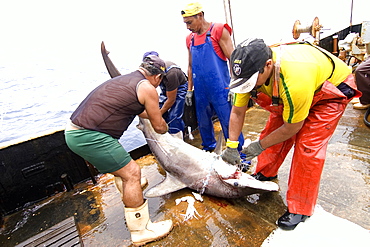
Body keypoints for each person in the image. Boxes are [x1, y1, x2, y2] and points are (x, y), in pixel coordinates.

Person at [221, 38, 361, 230]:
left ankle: (301, 208)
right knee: (272, 132)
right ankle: (266, 173)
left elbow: (292, 128)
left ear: (268, 65)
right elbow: (237, 111)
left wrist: (258, 146)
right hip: (295, 90)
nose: (248, 87)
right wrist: (231, 145)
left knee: (308, 147)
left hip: (331, 90)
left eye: (251, 83)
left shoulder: (295, 78)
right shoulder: (248, 70)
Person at [64, 55, 173, 246]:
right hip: (89, 136)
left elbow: (141, 111)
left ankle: (130, 193)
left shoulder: (124, 81)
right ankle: (141, 230)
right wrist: (164, 126)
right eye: (160, 81)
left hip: (73, 132)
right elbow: (159, 127)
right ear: (157, 78)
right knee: (132, 173)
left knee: (123, 169)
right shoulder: (148, 88)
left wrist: (155, 113)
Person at [181, 2, 248, 169]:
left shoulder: (218, 30)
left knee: (228, 122)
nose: (188, 27)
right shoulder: (190, 39)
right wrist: (190, 90)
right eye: (185, 23)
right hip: (201, 91)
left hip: (221, 89)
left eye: (190, 22)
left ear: (200, 16)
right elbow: (189, 65)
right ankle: (209, 151)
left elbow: (233, 60)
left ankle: (240, 156)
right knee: (203, 123)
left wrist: (235, 86)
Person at [143, 51, 188, 139]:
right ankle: (167, 135)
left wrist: (158, 114)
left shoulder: (171, 73)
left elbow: (171, 99)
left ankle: (178, 139)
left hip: (179, 87)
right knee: (159, 107)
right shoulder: (149, 72)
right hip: (166, 88)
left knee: (174, 116)